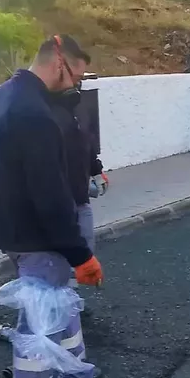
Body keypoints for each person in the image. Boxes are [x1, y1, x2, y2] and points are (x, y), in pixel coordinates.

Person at [0, 34, 105, 378]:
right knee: (36, 324)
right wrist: (79, 254)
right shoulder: (33, 114)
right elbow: (49, 197)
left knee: (55, 306)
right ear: (58, 63)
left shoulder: (3, 96)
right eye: (75, 76)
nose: (76, 86)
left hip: (12, 228)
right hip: (38, 235)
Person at [49, 77, 109, 296]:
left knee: (84, 243)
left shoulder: (75, 115)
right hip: (60, 197)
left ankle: (69, 293)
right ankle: (61, 295)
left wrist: (96, 170)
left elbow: (87, 146)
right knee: (59, 250)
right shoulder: (46, 117)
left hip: (79, 195)